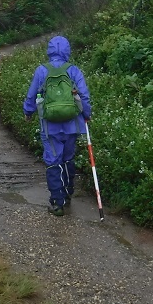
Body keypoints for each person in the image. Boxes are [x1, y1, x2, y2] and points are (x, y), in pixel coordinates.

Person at [23, 36, 91, 217]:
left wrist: (28, 112)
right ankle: (68, 193)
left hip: (49, 125)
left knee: (53, 161)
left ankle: (57, 202)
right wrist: (87, 114)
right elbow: (83, 96)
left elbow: (32, 95)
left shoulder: (41, 71)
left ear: (50, 50)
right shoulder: (74, 71)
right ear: (67, 50)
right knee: (68, 158)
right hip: (72, 125)